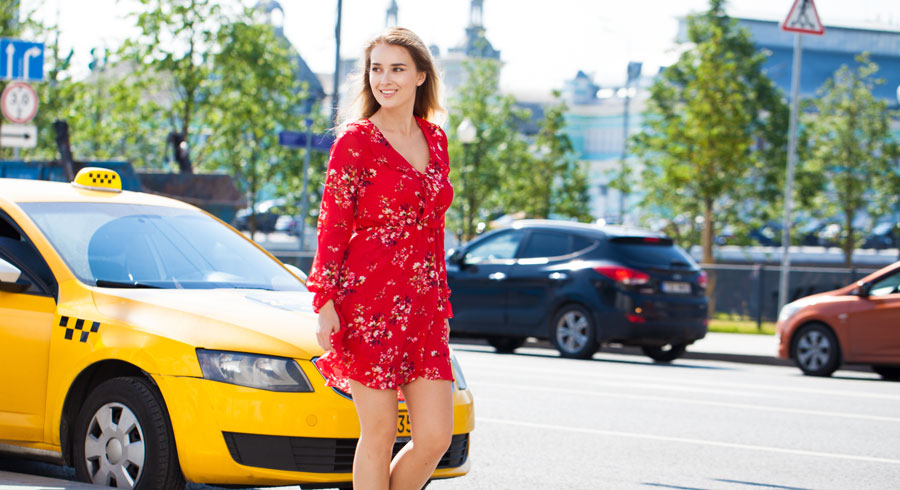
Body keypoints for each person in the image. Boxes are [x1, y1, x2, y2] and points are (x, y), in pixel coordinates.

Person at [305, 27, 455, 490]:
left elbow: (435, 231)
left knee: (434, 437)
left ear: (420, 76)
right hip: (367, 300)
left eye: (396, 69)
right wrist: (323, 302)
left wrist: (441, 302)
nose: (383, 79)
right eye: (376, 69)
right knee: (380, 432)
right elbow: (332, 226)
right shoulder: (355, 142)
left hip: (424, 305)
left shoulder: (436, 139)